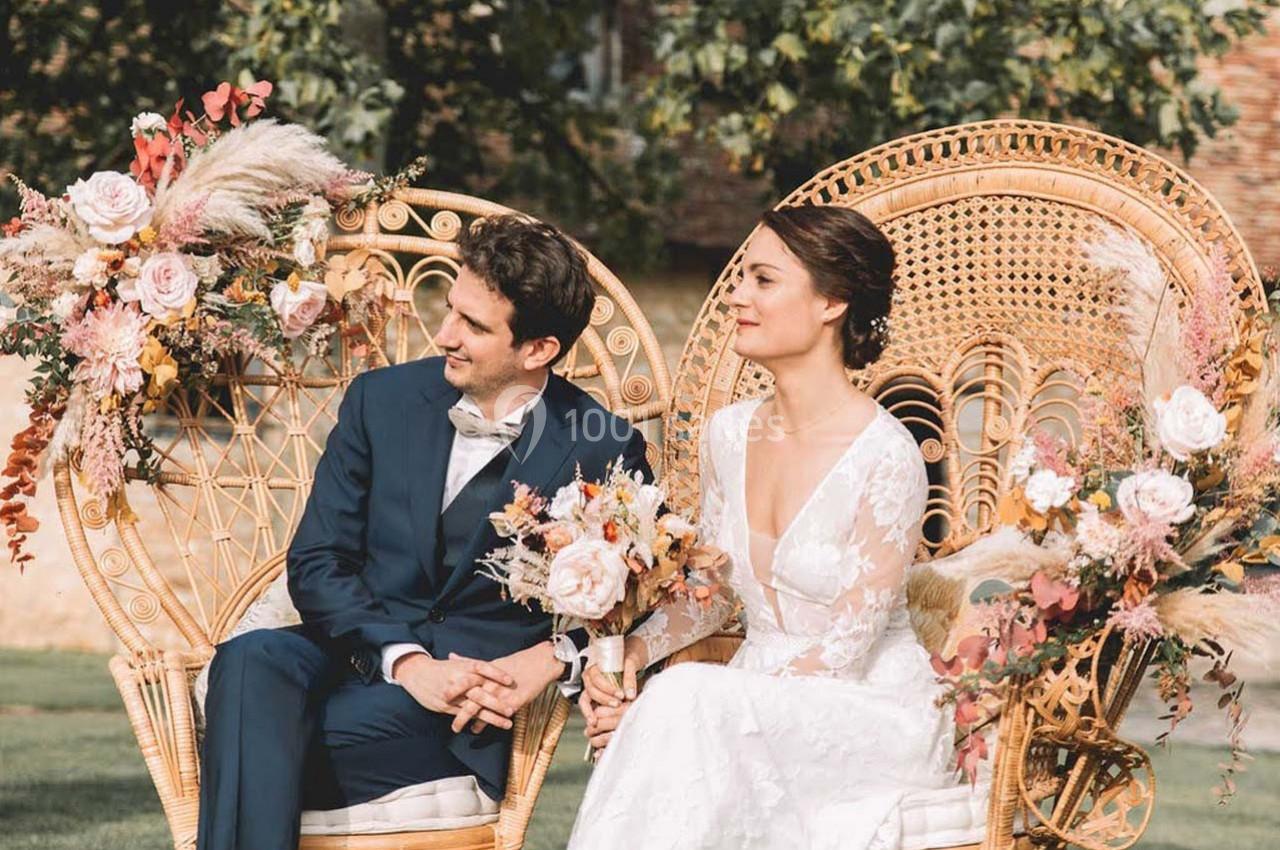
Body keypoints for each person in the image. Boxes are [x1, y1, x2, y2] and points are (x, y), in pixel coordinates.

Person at [197, 214, 651, 850]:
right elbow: (318, 560)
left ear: (538, 349)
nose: (444, 335)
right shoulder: (379, 400)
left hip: (467, 704)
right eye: (450, 310)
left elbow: (626, 608)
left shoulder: (604, 447)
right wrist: (405, 660)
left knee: (246, 729)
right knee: (248, 660)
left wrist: (545, 662)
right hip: (356, 652)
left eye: (473, 325)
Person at [568, 205, 952, 850]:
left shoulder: (887, 454)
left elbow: (842, 651)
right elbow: (712, 596)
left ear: (831, 301)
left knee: (683, 703)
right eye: (742, 278)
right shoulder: (729, 433)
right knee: (680, 705)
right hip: (745, 700)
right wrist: (634, 656)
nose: (737, 297)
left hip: (862, 709)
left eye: (762, 280)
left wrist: (670, 711)